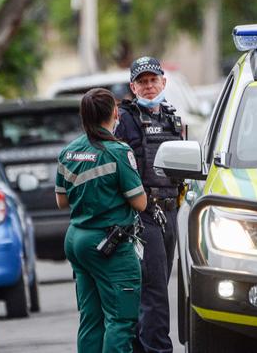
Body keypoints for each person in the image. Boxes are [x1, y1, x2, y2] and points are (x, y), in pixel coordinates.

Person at [55, 88, 147, 353]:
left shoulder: (68, 152)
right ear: (114, 112)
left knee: (91, 320)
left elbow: (62, 201)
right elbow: (139, 202)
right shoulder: (118, 151)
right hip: (108, 245)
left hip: (77, 240)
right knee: (120, 320)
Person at [115, 56, 183, 353]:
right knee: (154, 291)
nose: (149, 86)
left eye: (153, 80)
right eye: (142, 82)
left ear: (163, 82)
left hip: (170, 212)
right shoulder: (126, 120)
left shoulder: (171, 118)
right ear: (133, 86)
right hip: (143, 215)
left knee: (156, 286)